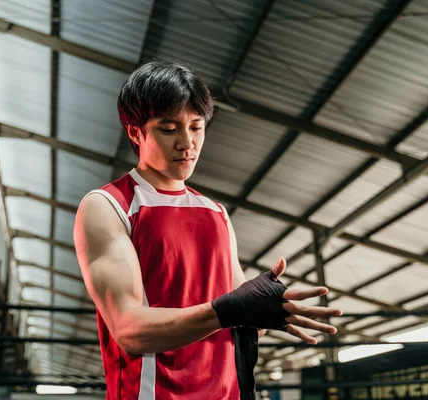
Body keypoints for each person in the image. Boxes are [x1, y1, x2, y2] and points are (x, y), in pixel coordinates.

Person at [73, 61, 343, 400]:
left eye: (196, 127)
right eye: (168, 129)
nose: (187, 143)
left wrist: (269, 308)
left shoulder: (215, 212)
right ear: (135, 132)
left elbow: (238, 311)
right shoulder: (107, 206)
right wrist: (228, 310)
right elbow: (129, 330)